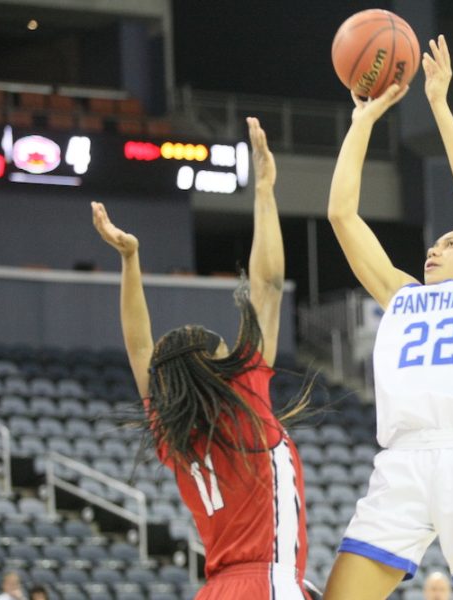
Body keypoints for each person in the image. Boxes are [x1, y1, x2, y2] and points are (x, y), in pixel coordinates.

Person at [324, 35, 453, 600]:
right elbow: (341, 214)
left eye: (451, 243)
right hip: (403, 461)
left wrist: (438, 104)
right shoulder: (401, 292)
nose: (433, 249)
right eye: (433, 243)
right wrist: (362, 122)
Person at [91, 117, 310, 599]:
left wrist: (130, 262)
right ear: (215, 367)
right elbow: (269, 285)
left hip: (214, 590)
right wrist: (266, 190)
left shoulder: (173, 430)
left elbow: (138, 347)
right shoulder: (244, 394)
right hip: (267, 581)